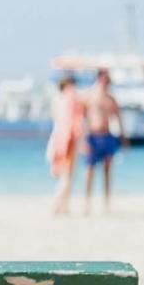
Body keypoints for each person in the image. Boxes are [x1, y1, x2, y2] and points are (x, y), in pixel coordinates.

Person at [80, 68, 126, 212]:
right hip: (92, 136)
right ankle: (86, 203)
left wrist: (123, 136)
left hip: (107, 136)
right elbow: (82, 118)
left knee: (107, 171)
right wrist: (82, 139)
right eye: (106, 78)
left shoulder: (110, 99)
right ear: (100, 77)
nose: (108, 81)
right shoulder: (88, 96)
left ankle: (106, 204)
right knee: (89, 170)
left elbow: (118, 117)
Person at [46, 73, 85, 215]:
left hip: (57, 137)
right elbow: (75, 122)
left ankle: (63, 206)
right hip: (68, 138)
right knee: (68, 175)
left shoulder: (57, 99)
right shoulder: (71, 98)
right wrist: (81, 141)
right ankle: (58, 206)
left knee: (65, 174)